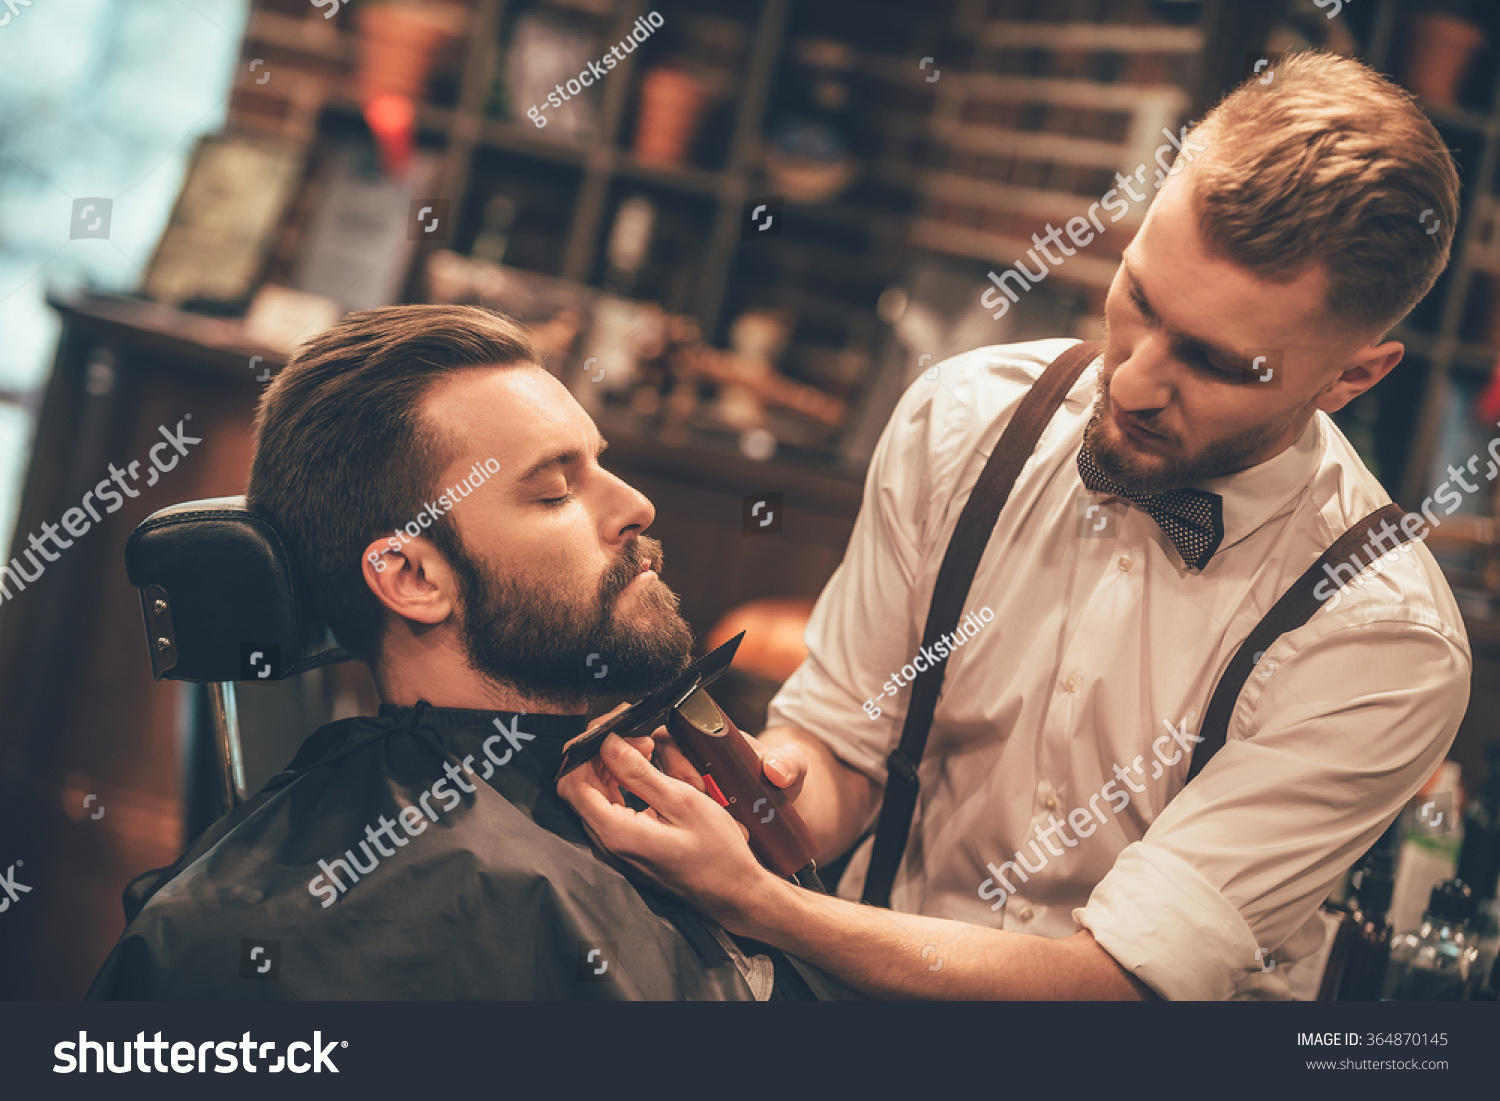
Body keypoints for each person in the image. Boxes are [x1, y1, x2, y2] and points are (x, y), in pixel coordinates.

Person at [558, 51, 1473, 1000]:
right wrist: (762, 791)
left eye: (1212, 362)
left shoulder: (1384, 638)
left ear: (1351, 377)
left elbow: (1118, 983)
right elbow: (842, 749)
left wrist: (761, 902)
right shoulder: (966, 419)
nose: (1130, 382)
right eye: (1140, 301)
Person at [87, 304, 832, 1000]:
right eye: (554, 493)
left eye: (600, 464)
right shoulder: (350, 917)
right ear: (412, 575)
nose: (637, 505)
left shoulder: (634, 791)